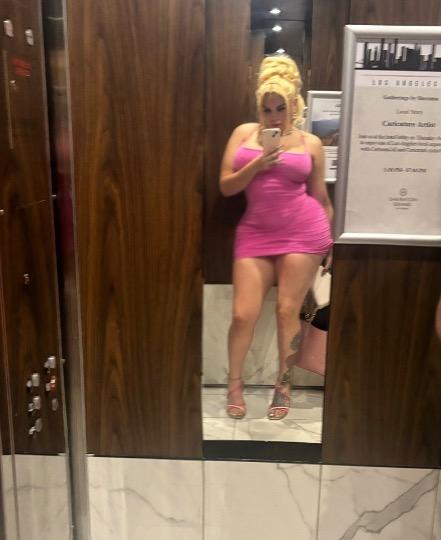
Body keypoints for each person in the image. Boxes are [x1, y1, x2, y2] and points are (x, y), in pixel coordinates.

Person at [219, 55, 333, 420]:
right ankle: (234, 384)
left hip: (303, 233)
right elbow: (226, 187)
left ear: (294, 104)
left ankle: (283, 386)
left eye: (280, 107)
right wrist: (258, 164)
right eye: (267, 109)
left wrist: (330, 244)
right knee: (243, 314)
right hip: (255, 233)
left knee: (287, 311)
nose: (273, 116)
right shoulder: (243, 134)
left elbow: (321, 199)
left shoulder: (310, 143)